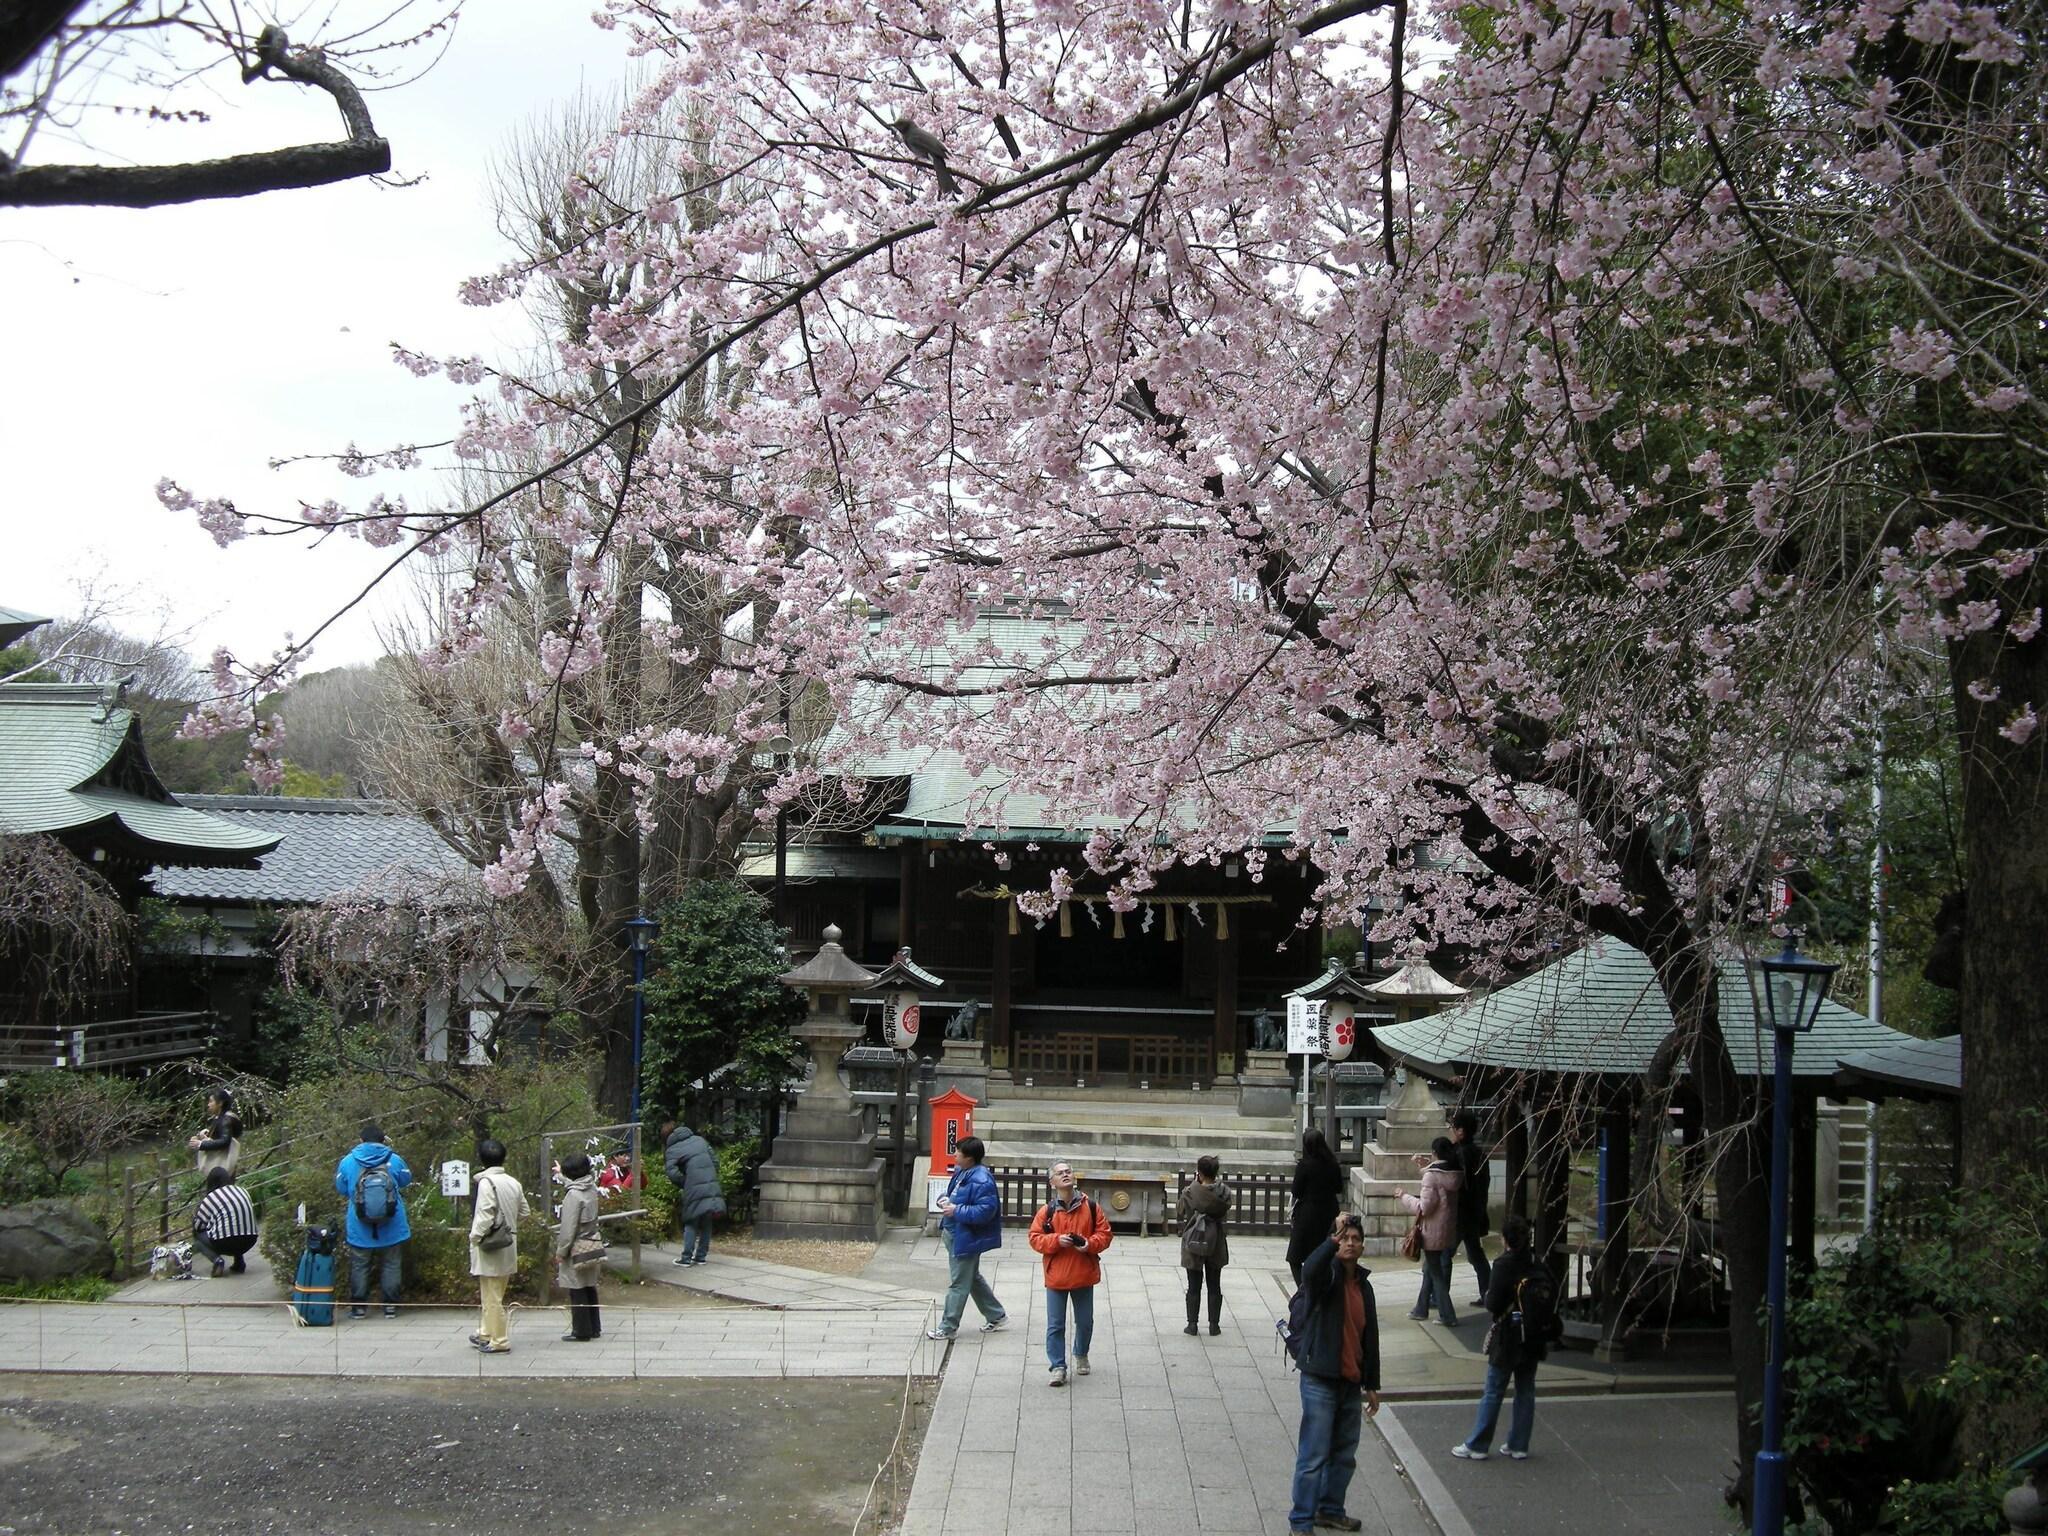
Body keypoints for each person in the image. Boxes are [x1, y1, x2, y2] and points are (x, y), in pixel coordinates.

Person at [1288, 1212, 1382, 1536]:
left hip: (1350, 1379)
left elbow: (1370, 1336)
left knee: (1344, 1454)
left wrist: (1372, 1383)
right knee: (1313, 1455)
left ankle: (1330, 1509)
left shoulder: (1363, 1285)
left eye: (1355, 1239)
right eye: (1345, 1238)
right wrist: (1332, 1236)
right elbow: (1308, 1269)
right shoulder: (1325, 1277)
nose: (1350, 1243)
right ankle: (1301, 1521)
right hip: (1320, 1377)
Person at [1454, 1214, 1548, 1461]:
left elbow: (1493, 1302)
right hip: (1533, 1334)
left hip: (1508, 1333)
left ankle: (1478, 1444)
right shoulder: (1537, 1263)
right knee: (1525, 1389)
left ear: (1506, 1239)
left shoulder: (1504, 1265)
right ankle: (1519, 1444)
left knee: (1494, 1389)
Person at [1027, 1160, 1112, 1387]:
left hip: (1083, 1273)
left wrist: (1088, 1244)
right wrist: (1056, 1240)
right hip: (1057, 1276)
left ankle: (1081, 1353)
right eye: (1059, 1173)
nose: (1065, 1175)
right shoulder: (1047, 1211)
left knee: (1085, 1322)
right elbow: (1035, 1238)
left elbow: (1105, 1234)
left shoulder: (1091, 1207)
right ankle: (1057, 1366)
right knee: (1055, 1324)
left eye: (1068, 1171)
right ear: (1052, 1181)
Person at [927, 1134, 1007, 1341]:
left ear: (969, 1157)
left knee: (959, 1283)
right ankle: (995, 1314)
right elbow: (952, 1194)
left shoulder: (981, 1180)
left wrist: (957, 1210)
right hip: (956, 1232)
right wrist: (944, 1201)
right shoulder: (963, 1172)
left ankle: (948, 1326)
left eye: (958, 1152)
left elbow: (986, 1211)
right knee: (970, 1278)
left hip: (966, 1236)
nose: (955, 1155)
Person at [334, 1121, 412, 1320]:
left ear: (361, 1141)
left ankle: (359, 1308)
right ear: (383, 1140)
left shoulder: (348, 1162)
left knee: (360, 1264)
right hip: (392, 1221)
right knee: (391, 1263)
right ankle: (390, 1307)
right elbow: (405, 1180)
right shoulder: (394, 1160)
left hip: (359, 1222)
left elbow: (341, 1187)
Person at [467, 1139, 527, 1354]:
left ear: (482, 1159)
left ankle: (499, 1340)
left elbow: (484, 1214)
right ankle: (485, 1331)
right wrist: (508, 1226)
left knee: (491, 1296)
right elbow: (524, 1212)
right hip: (508, 1243)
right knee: (495, 1292)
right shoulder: (513, 1182)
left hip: (490, 1245)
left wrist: (475, 1237)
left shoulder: (486, 1182)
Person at [1400, 1135, 1464, 1326]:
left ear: (1435, 1153)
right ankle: (1421, 1308)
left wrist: (1404, 1197)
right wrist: (1426, 1165)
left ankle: (1447, 1315)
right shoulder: (1455, 1173)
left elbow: (1424, 1207)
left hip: (1432, 1229)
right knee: (1430, 1268)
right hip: (1447, 1228)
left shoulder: (1432, 1176)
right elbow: (1437, 1176)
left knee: (1435, 1272)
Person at [1178, 1153, 1232, 1336]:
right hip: (1215, 1239)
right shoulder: (1224, 1192)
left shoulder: (1191, 1191)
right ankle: (1214, 1325)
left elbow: (1180, 1209)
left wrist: (1194, 1184)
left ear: (1199, 1172)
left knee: (1194, 1283)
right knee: (1214, 1283)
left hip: (1195, 1239)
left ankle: (1192, 1324)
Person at [661, 1120, 726, 1266]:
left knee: (691, 1221)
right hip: (711, 1183)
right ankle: (701, 1256)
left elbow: (672, 1172)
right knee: (706, 1220)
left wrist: (686, 1182)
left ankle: (686, 1258)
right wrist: (709, 1176)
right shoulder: (699, 1140)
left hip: (693, 1187)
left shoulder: (672, 1150)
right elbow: (715, 1162)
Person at [555, 1152, 604, 1342]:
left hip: (576, 1245)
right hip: (592, 1242)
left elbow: (568, 1229)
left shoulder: (572, 1196)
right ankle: (594, 1327)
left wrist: (561, 1252)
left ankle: (581, 1330)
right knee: (589, 1285)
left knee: (577, 1289)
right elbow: (575, 1185)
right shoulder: (590, 1187)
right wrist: (561, 1175)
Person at [1286, 1128, 1345, 1285]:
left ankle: (1303, 1289)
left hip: (1307, 1214)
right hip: (1329, 1212)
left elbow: (1296, 1191)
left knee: (1295, 1257)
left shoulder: (1304, 1166)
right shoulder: (1333, 1164)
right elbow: (1339, 1188)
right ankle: (1324, 1287)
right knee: (1326, 1254)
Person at [1449, 1108, 1493, 1305]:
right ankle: (1488, 1292)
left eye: (1454, 1128)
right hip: (1475, 1211)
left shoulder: (1459, 1154)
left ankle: (1436, 1297)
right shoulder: (1480, 1153)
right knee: (1476, 1254)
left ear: (1461, 1131)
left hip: (1460, 1213)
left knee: (1443, 1255)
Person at [191, 1166, 257, 1277]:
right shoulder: (242, 1190)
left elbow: (199, 1226)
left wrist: (195, 1218)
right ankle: (239, 1262)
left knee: (197, 1237)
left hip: (225, 1243)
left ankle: (217, 1261)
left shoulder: (212, 1197)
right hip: (250, 1240)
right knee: (236, 1227)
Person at [186, 1089, 241, 1176]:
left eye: (211, 1101)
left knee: (220, 1188)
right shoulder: (221, 1118)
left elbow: (225, 1141)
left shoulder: (225, 1119)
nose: (208, 1105)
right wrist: (202, 1136)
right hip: (220, 1166)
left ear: (220, 1103)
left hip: (220, 1166)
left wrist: (201, 1144)